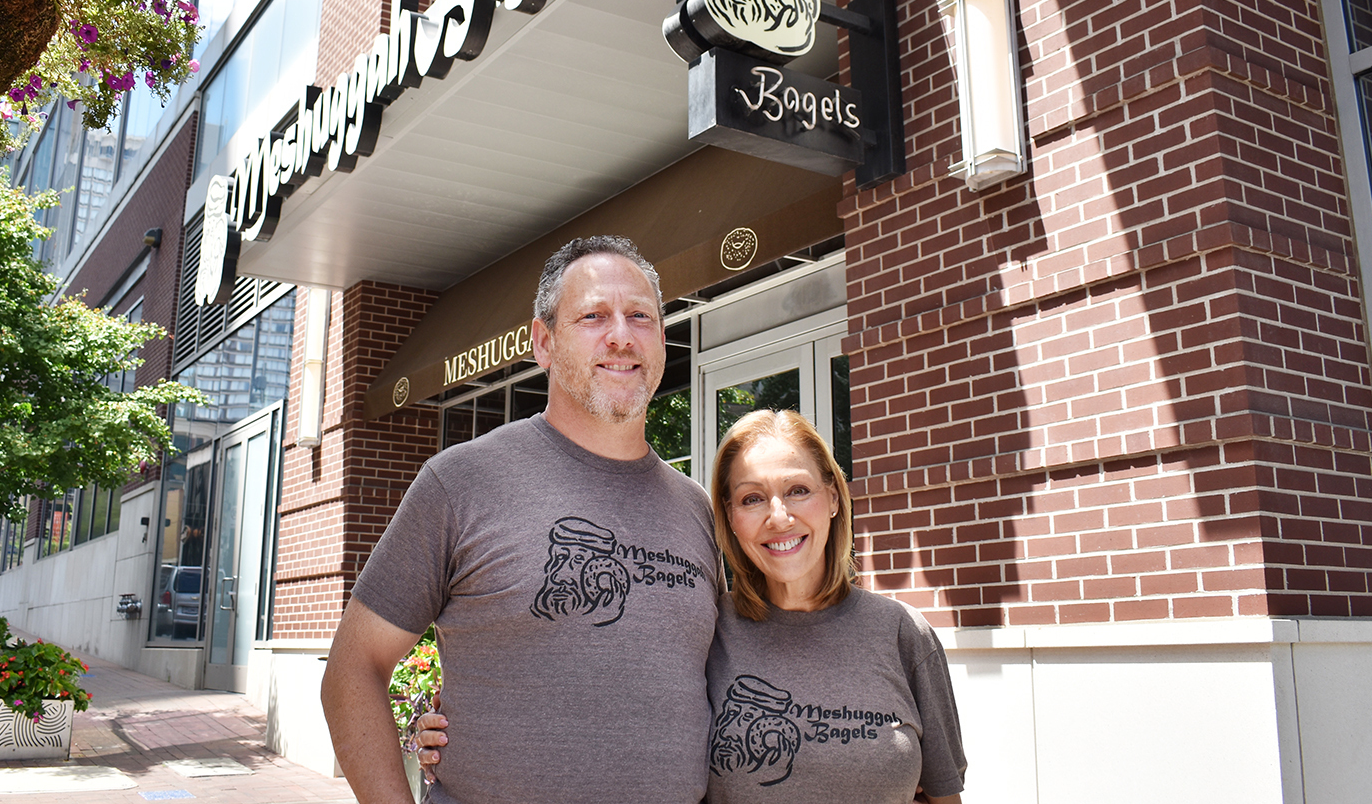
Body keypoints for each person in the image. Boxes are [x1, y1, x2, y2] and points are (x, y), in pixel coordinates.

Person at [321, 235, 722, 804]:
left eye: (641, 316)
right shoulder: (460, 482)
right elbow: (352, 670)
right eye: (593, 316)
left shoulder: (696, 508)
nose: (621, 335)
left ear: (661, 338)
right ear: (544, 342)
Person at [417, 408, 967, 803]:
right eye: (752, 498)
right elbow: (611, 698)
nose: (778, 516)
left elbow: (944, 795)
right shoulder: (708, 626)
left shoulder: (904, 635)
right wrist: (461, 727)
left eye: (798, 490)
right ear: (730, 519)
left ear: (833, 498)